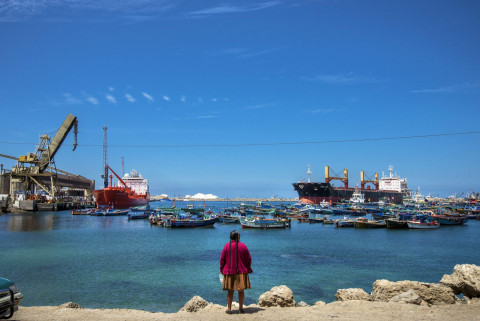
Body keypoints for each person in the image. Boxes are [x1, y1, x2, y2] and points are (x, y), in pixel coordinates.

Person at [220, 230, 253, 314]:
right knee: (241, 291)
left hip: (229, 271)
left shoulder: (227, 246)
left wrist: (222, 270)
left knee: (230, 291)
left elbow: (222, 260)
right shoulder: (243, 246)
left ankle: (229, 309)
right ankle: (241, 308)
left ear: (231, 237)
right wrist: (247, 268)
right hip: (241, 271)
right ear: (238, 237)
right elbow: (249, 258)